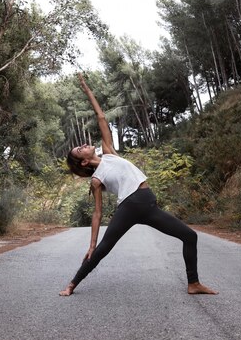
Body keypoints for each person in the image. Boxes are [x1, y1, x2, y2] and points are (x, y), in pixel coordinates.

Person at [59, 73, 217, 296]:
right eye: (80, 149)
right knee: (103, 249)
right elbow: (97, 213)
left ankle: (193, 283)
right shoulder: (96, 180)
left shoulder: (109, 153)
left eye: (82, 145)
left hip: (148, 206)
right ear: (84, 161)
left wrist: (86, 89)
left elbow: (101, 117)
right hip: (130, 206)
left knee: (190, 236)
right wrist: (92, 243)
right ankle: (72, 285)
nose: (84, 145)